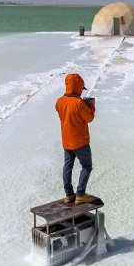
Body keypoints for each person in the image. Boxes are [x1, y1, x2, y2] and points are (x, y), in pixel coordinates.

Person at [55, 73, 97, 205]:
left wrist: (80, 102)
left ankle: (68, 195)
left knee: (67, 166)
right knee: (86, 166)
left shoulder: (59, 101)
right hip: (80, 141)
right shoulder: (79, 103)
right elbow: (89, 118)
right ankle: (80, 194)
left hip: (66, 140)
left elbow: (69, 113)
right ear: (78, 87)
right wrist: (90, 105)